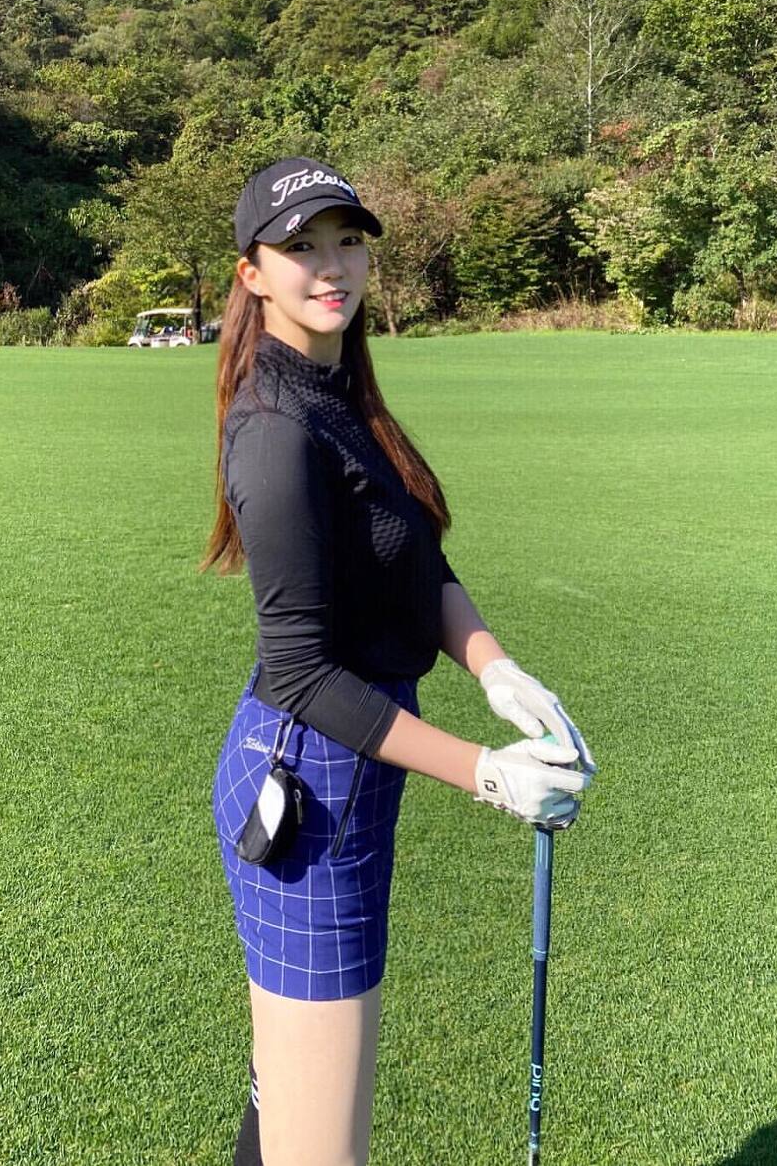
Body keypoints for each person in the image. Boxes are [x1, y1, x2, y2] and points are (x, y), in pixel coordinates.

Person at [202, 158, 596, 1166]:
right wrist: (487, 771)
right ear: (251, 273)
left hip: (348, 772)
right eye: (300, 247)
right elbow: (302, 676)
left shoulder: (341, 389)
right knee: (319, 1147)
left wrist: (496, 668)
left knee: (286, 1104)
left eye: (347, 240)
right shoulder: (274, 429)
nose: (331, 265)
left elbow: (414, 557)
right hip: (307, 788)